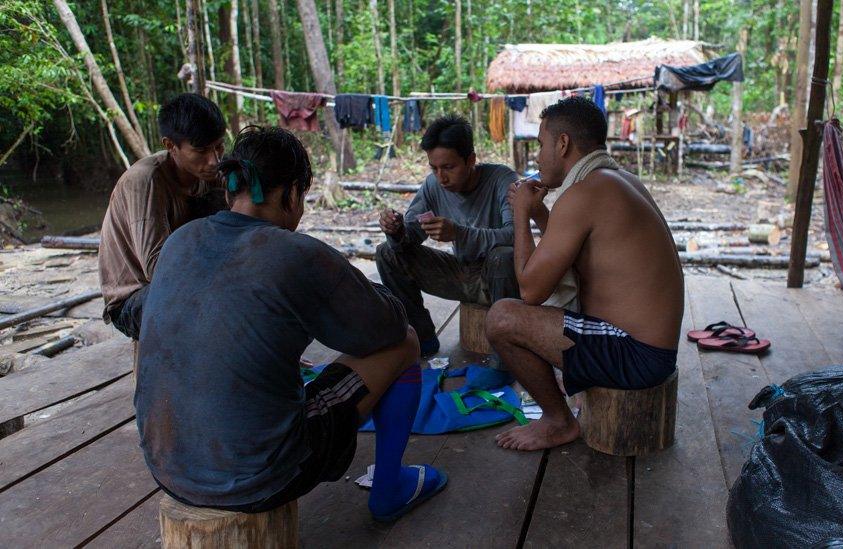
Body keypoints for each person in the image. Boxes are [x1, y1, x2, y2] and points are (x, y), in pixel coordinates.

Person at [135, 126, 447, 520]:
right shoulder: (293, 252)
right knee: (404, 342)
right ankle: (390, 487)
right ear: (293, 193)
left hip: (165, 467)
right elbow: (384, 327)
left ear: (232, 187)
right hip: (258, 478)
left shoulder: (181, 240)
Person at [485, 96, 684, 451]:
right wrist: (537, 213)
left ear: (562, 144)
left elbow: (531, 291)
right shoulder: (615, 180)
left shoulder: (584, 194)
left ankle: (557, 421)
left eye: (541, 144)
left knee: (502, 317)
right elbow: (573, 251)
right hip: (647, 349)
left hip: (635, 355)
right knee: (515, 314)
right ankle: (566, 400)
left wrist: (519, 213)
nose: (538, 156)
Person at [376, 115, 519, 386]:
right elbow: (410, 237)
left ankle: (506, 361)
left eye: (449, 167)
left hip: (499, 278)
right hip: (461, 273)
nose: (441, 177)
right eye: (434, 168)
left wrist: (460, 233)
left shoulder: (502, 179)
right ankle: (424, 337)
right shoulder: (433, 186)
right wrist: (395, 230)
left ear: (471, 159)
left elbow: (515, 236)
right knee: (387, 252)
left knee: (504, 256)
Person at [98, 93, 228, 340]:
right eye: (201, 150)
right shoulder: (146, 182)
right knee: (220, 301)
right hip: (134, 299)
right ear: (170, 146)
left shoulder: (212, 173)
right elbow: (157, 270)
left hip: (180, 283)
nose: (215, 160)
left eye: (219, 146)